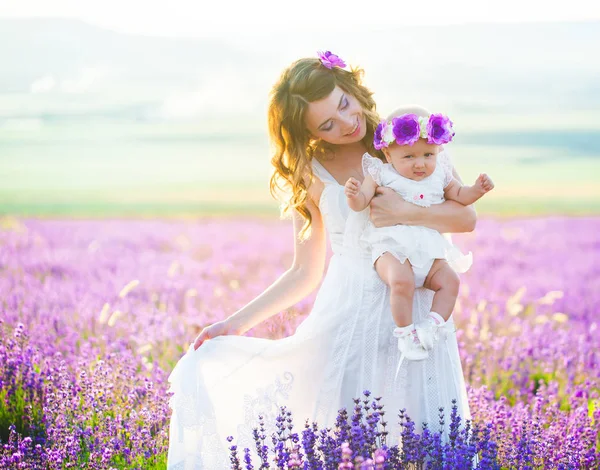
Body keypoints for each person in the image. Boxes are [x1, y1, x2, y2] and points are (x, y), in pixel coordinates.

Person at [166, 51, 477, 469]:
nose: (346, 123)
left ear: (351, 88)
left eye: (343, 105)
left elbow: (465, 216)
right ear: (308, 133)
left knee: (428, 436)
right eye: (326, 124)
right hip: (349, 317)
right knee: (349, 440)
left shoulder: (406, 139)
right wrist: (233, 324)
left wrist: (405, 214)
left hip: (420, 311)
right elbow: (304, 271)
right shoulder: (311, 172)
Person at [343, 105, 494, 365]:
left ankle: (433, 326)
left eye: (428, 154)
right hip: (392, 248)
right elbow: (362, 203)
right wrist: (355, 195)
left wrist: (477, 190)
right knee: (402, 281)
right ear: (388, 154)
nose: (421, 163)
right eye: (409, 157)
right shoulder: (381, 173)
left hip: (428, 248)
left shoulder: (441, 175)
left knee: (451, 281)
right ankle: (406, 333)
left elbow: (461, 196)